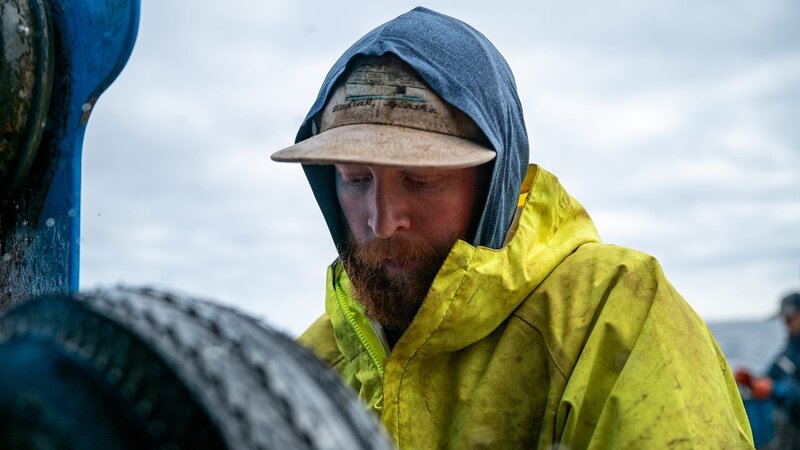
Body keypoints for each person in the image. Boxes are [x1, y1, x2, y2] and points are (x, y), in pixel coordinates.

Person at [271, 7, 753, 448]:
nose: (382, 220)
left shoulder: (616, 314)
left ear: (493, 183)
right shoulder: (310, 365)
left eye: (421, 179)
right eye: (355, 180)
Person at [764, 292, 800, 449]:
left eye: (790, 318)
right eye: (784, 319)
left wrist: (774, 389)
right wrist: (751, 381)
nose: (786, 324)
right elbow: (772, 373)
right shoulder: (791, 347)